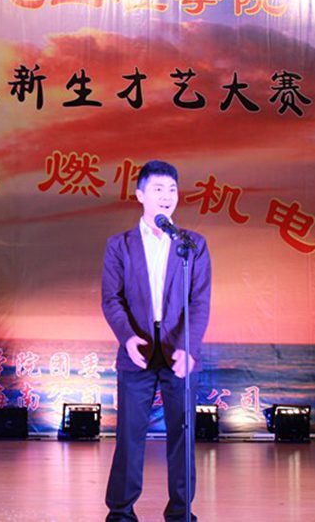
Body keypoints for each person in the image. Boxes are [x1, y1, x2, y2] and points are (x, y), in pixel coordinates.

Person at [102, 160, 211, 522]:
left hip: (180, 351)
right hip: (138, 350)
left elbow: (199, 301)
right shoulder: (119, 245)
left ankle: (181, 513)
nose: (166, 196)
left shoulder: (192, 245)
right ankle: (120, 513)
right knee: (129, 436)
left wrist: (189, 348)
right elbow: (111, 299)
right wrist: (127, 337)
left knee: (183, 435)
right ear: (140, 195)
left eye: (172, 190)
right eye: (158, 189)